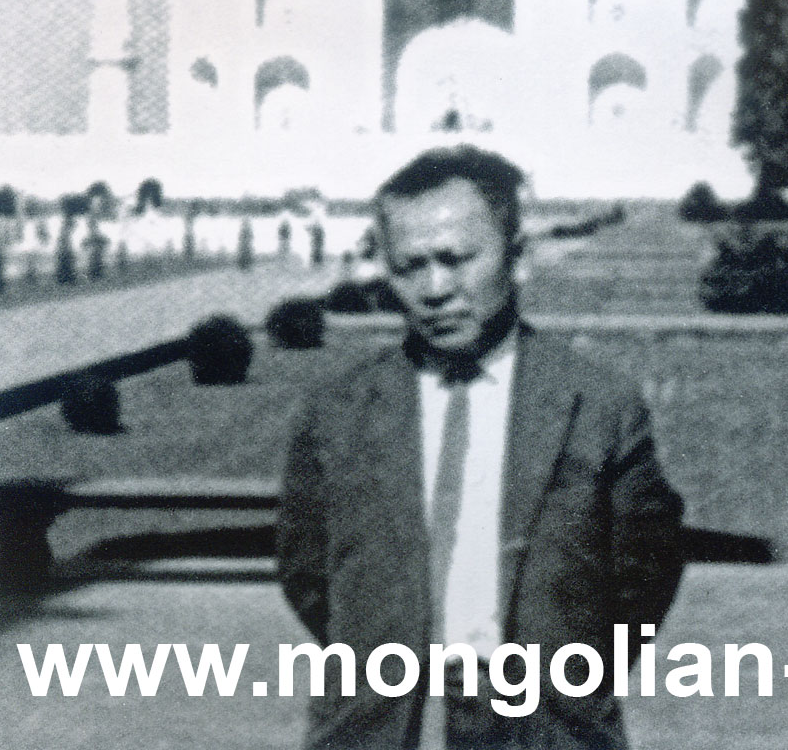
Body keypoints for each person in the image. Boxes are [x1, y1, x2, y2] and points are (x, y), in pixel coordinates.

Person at [278, 145, 684, 750]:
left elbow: (644, 575)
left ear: (517, 258)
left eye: (456, 259)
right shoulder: (337, 412)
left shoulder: (598, 406)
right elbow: (308, 573)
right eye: (409, 267)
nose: (435, 289)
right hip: (379, 728)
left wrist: (566, 675)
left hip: (547, 729)